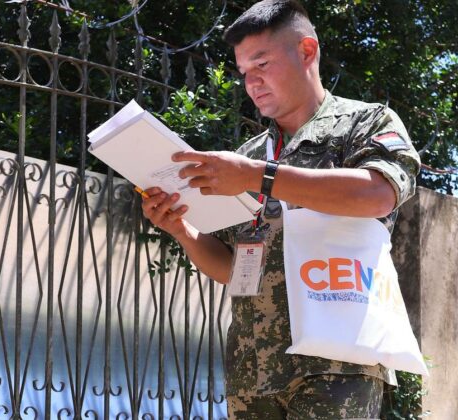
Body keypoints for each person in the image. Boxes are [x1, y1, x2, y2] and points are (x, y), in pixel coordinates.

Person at [141, 0, 421, 418]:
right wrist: (182, 230)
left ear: (307, 51)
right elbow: (234, 268)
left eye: (262, 64)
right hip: (253, 372)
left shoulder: (365, 123)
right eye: (244, 72)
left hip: (337, 367)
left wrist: (259, 177)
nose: (252, 82)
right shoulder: (247, 155)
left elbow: (378, 194)